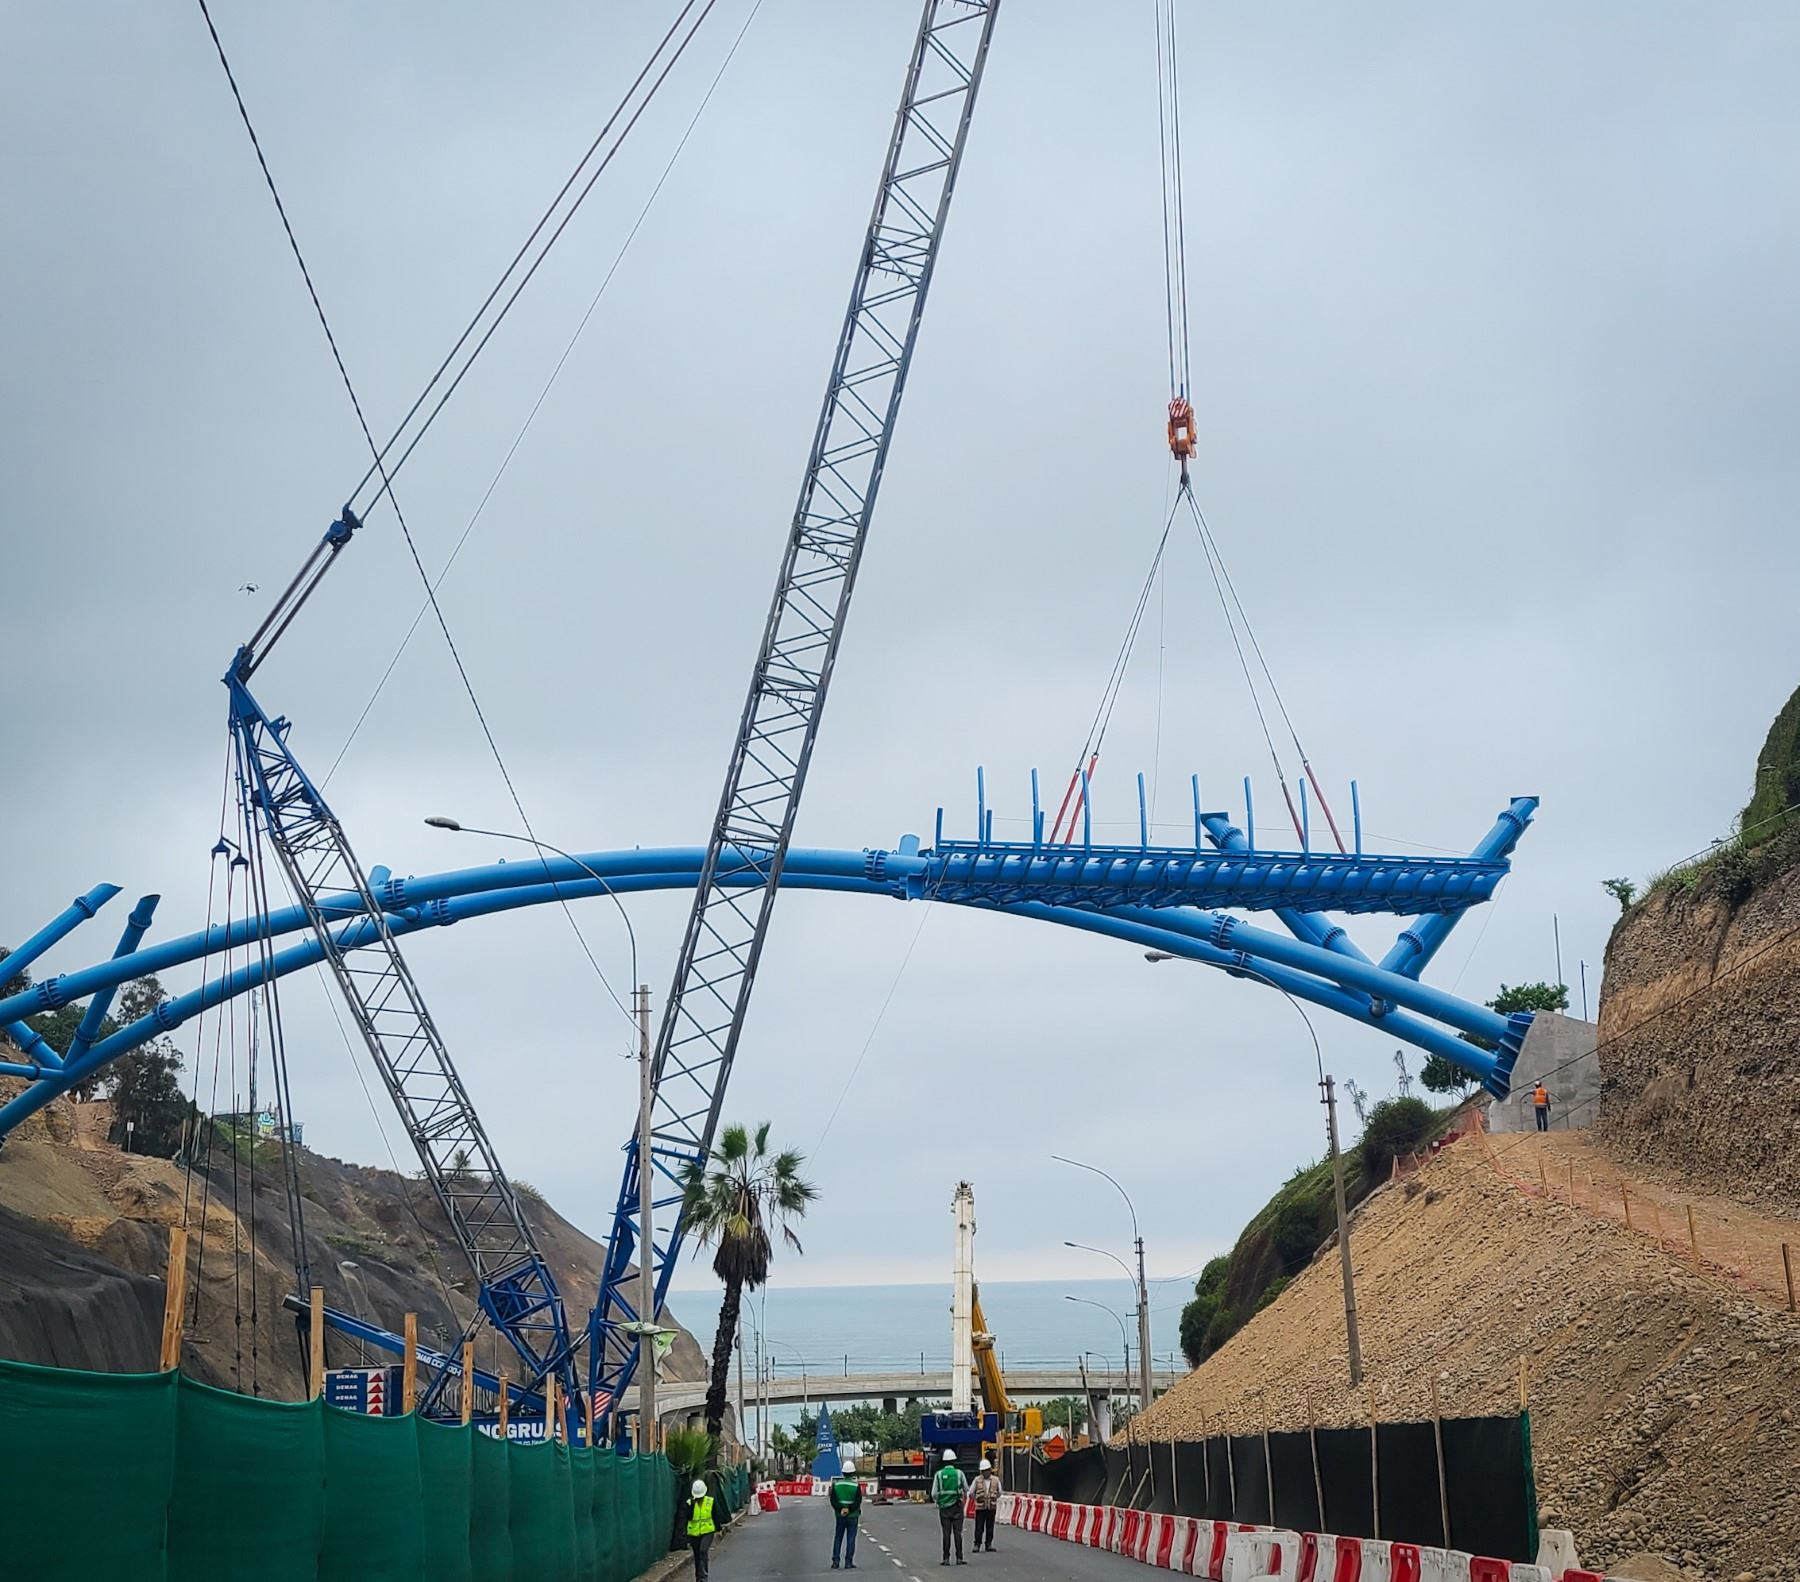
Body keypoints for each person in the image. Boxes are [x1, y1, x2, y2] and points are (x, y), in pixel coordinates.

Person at [934, 1448, 969, 1566]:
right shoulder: (959, 1473)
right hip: (957, 1506)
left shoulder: (938, 1475)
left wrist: (939, 1501)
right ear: (954, 1461)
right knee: (958, 1533)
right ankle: (959, 1558)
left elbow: (934, 1493)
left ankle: (946, 1558)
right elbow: (966, 1490)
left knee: (946, 1533)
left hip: (944, 1508)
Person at [830, 1456, 863, 1569]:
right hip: (853, 1515)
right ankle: (848, 1562)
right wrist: (850, 1509)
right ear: (853, 1472)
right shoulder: (856, 1485)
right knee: (851, 1538)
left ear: (843, 1472)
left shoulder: (836, 1485)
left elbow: (833, 1500)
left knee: (838, 1538)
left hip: (840, 1515)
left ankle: (835, 1561)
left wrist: (841, 1509)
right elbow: (858, 1501)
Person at [685, 1478, 716, 1582]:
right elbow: (686, 1518)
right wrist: (692, 1506)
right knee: (697, 1555)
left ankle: (704, 1576)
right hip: (694, 1534)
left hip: (707, 1531)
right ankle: (698, 1577)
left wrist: (718, 1528)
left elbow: (715, 1515)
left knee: (703, 1551)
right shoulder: (689, 1503)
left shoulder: (710, 1501)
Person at [970, 1458, 1001, 1553]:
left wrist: (993, 1498)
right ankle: (977, 1544)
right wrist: (977, 1499)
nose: (986, 1473)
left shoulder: (996, 1480)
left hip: (991, 1507)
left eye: (987, 1470)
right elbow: (971, 1492)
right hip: (980, 1507)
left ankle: (989, 1544)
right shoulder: (977, 1480)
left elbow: (999, 1492)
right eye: (984, 1471)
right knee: (979, 1527)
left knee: (990, 1526)